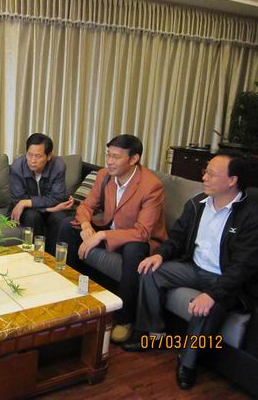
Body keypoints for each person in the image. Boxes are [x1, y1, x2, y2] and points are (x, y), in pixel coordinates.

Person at [123, 151, 258, 390]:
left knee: (206, 307)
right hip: (194, 267)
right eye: (205, 171)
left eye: (211, 174)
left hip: (227, 280)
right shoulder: (197, 204)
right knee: (150, 271)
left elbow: (243, 266)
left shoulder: (251, 216)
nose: (204, 177)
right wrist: (159, 255)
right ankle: (153, 335)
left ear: (232, 180)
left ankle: (187, 363)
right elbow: (176, 239)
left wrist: (212, 294)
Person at [57, 134, 167, 343]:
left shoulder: (151, 186)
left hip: (138, 239)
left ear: (134, 159)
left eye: (116, 157)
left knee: (134, 250)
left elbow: (142, 232)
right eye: (108, 154)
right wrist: (86, 225)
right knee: (67, 225)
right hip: (110, 229)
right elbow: (87, 206)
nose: (109, 161)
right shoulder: (104, 175)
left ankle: (125, 320)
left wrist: (101, 235)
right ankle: (69, 291)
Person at [10, 133, 74, 252]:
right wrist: (49, 209)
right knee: (32, 216)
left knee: (60, 218)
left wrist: (26, 202)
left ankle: (51, 258)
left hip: (49, 208)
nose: (32, 160)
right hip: (29, 211)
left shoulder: (58, 166)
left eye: (38, 156)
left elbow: (57, 198)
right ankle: (34, 255)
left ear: (48, 156)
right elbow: (18, 200)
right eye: (29, 155)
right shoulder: (17, 167)